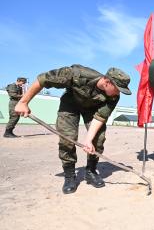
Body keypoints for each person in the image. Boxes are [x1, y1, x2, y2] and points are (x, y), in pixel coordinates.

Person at [14, 64, 131, 194]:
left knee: (98, 139)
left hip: (92, 110)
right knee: (67, 139)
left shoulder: (113, 97)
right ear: (107, 82)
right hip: (70, 105)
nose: (118, 92)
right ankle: (69, 175)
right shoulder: (76, 74)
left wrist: (88, 140)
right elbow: (43, 79)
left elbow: (100, 117)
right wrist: (23, 102)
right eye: (118, 89)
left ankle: (90, 171)